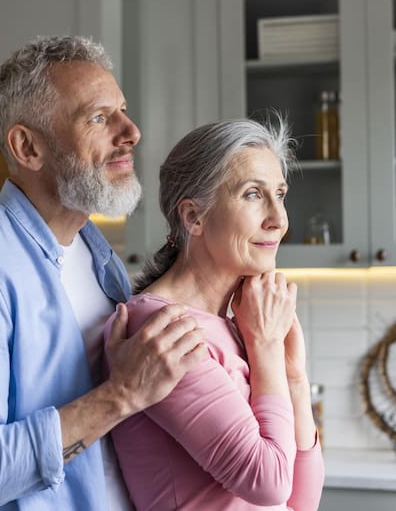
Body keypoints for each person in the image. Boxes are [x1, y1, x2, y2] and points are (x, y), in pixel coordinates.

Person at [0, 35, 207, 510]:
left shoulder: (98, 256)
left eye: (122, 111)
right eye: (98, 118)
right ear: (28, 147)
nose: (131, 132)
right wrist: (121, 395)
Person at [104, 118, 325, 510]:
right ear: (194, 217)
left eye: (280, 194)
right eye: (253, 194)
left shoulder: (238, 324)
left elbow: (302, 499)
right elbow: (269, 483)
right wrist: (266, 347)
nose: (279, 219)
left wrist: (293, 377)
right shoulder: (162, 330)